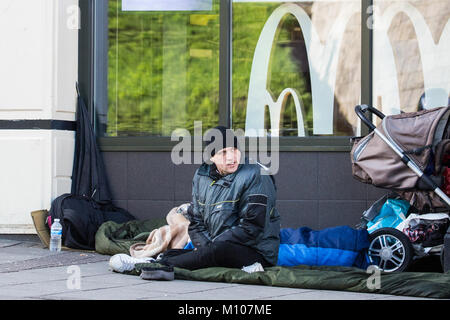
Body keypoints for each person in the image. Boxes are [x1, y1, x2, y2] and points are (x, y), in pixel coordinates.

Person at [109, 126, 280, 274]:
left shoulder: (256, 175)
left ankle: (150, 266)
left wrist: (212, 245)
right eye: (223, 152)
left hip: (255, 251)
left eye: (234, 150)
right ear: (212, 157)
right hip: (216, 247)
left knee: (216, 251)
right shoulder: (202, 176)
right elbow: (196, 221)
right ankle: (162, 259)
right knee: (186, 252)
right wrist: (205, 245)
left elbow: (252, 228)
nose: (231, 157)